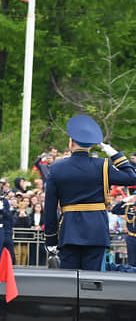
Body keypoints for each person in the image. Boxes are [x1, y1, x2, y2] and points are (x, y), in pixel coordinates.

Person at [44, 115, 136, 270]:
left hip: (68, 232)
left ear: (71, 142)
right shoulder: (103, 166)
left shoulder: (57, 168)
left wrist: (51, 240)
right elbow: (132, 177)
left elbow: (50, 209)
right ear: (92, 146)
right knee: (94, 283)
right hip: (97, 231)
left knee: (69, 282)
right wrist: (115, 154)